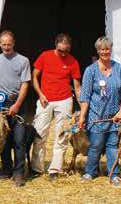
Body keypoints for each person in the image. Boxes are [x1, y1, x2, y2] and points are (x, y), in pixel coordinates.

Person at [78, 37, 121, 187]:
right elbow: (85, 96)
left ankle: (114, 174)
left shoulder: (119, 68)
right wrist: (82, 116)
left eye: (107, 49)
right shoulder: (90, 70)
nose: (105, 52)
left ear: (111, 49)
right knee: (96, 145)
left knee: (112, 146)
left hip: (114, 117)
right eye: (102, 49)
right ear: (98, 51)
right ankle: (90, 172)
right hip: (96, 117)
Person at [30, 33, 82, 180]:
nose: (63, 54)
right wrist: (40, 94)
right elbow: (34, 76)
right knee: (40, 134)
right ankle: (37, 168)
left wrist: (82, 106)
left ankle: (55, 169)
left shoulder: (73, 62)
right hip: (45, 99)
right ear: (55, 45)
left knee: (62, 136)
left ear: (70, 48)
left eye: (66, 51)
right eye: (61, 51)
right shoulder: (45, 56)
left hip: (65, 100)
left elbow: (77, 86)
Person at [0, 30, 31, 187]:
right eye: (3, 44)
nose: (6, 47)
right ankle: (6, 170)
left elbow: (25, 84)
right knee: (3, 140)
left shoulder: (23, 61)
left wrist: (17, 105)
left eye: (9, 44)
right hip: (1, 104)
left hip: (18, 104)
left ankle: (18, 173)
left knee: (19, 140)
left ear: (14, 43)